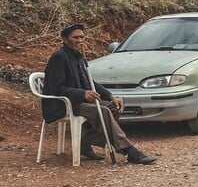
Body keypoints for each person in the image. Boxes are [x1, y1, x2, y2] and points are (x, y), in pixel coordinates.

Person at [42, 23, 156, 165]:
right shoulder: (59, 57)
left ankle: (84, 141)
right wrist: (83, 94)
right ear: (65, 39)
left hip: (78, 102)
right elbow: (56, 89)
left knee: (113, 107)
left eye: (82, 37)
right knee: (103, 111)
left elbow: (91, 83)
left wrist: (110, 96)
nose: (79, 40)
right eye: (75, 37)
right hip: (62, 104)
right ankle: (129, 150)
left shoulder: (78, 57)